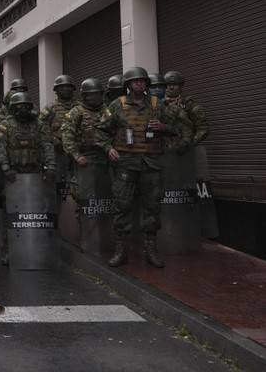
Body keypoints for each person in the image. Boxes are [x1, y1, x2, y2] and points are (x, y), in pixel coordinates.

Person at [95, 66, 190, 268]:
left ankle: (151, 250)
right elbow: (100, 131)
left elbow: (180, 128)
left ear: (147, 84)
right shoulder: (117, 105)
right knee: (122, 206)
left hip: (151, 163)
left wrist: (163, 128)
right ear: (128, 84)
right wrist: (108, 148)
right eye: (135, 81)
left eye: (142, 81)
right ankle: (121, 251)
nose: (139, 84)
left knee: (152, 207)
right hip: (125, 163)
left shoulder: (158, 105)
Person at [62, 78, 108, 199]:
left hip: (106, 158)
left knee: (107, 194)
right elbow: (67, 137)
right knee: (84, 196)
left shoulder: (107, 111)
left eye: (98, 94)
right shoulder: (75, 112)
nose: (96, 97)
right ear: (84, 96)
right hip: (85, 159)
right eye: (92, 95)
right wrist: (77, 156)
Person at [163, 71, 208, 149]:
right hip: (161, 151)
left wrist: (190, 143)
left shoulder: (189, 105)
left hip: (184, 152)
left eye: (175, 84)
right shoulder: (158, 104)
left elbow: (203, 128)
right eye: (168, 84)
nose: (171, 87)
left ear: (181, 86)